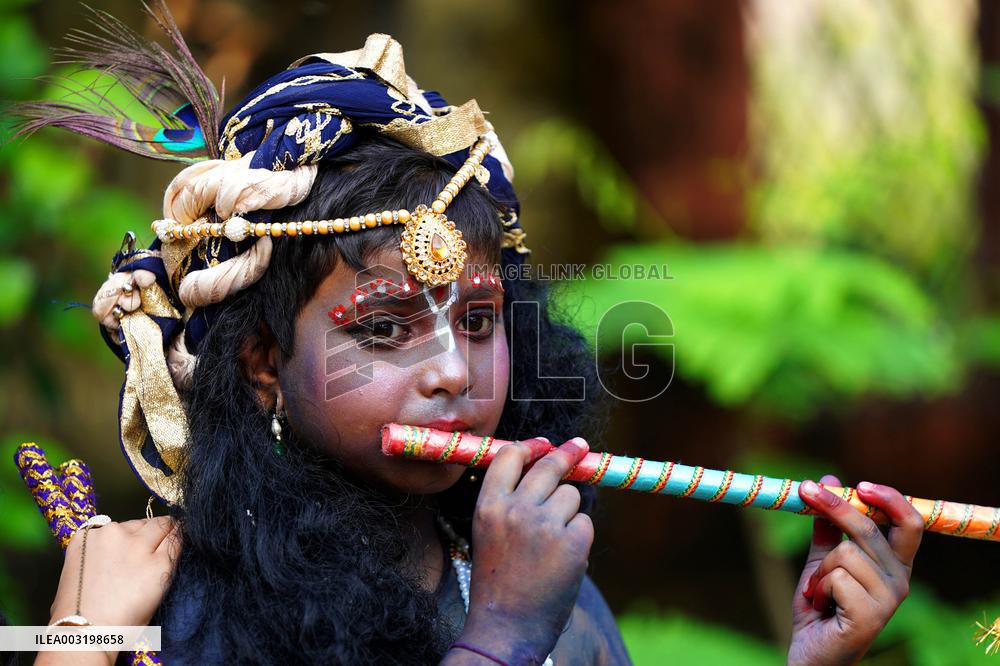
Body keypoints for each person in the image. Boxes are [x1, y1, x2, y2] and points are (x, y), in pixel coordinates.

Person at [19, 4, 924, 664]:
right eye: (383, 328)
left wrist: (814, 659)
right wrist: (498, 641)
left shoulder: (536, 593)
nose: (455, 371)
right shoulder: (157, 605)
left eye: (482, 320)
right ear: (261, 364)